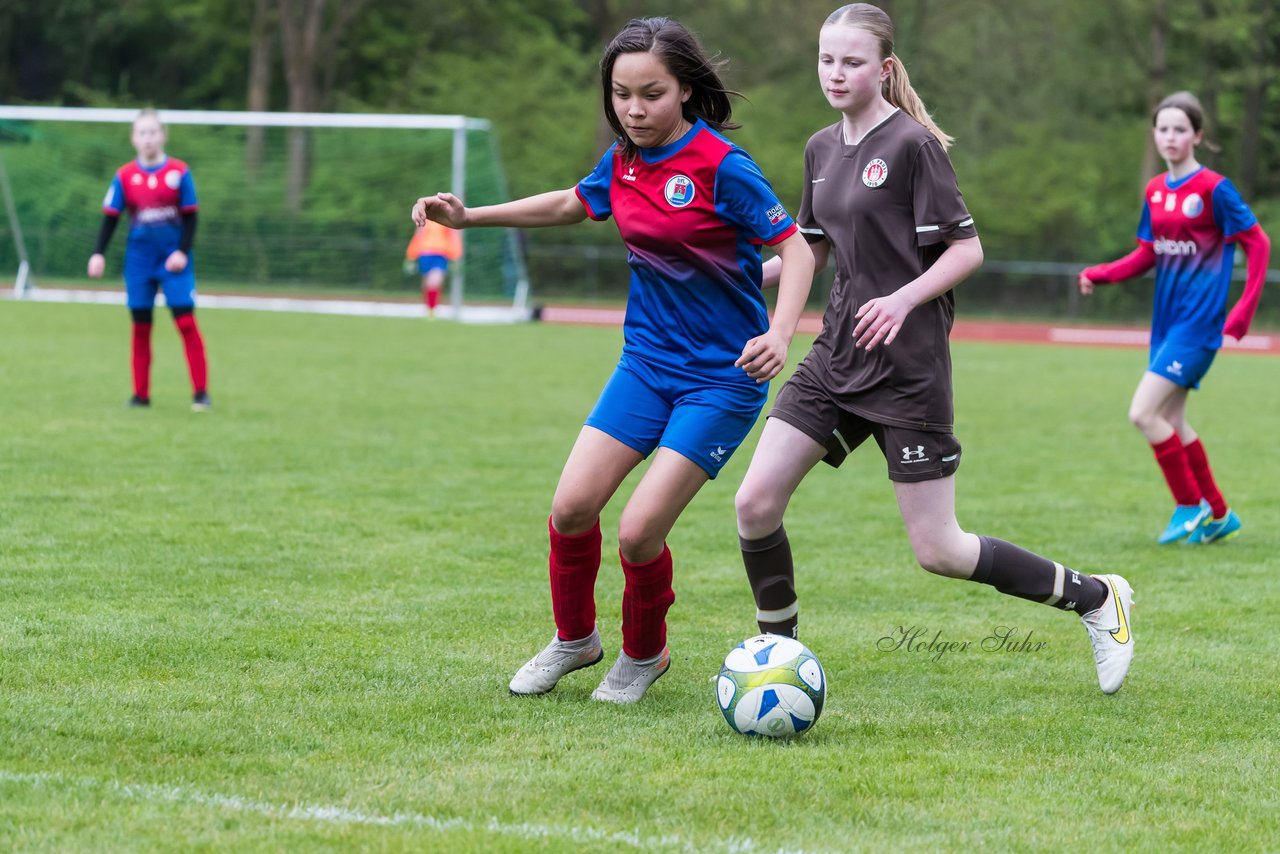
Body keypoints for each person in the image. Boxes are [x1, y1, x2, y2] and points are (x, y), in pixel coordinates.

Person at [733, 3, 1134, 694]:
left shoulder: (912, 145)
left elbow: (968, 249)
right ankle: (779, 664)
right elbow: (814, 250)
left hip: (906, 370)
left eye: (852, 61)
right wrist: (740, 273)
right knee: (755, 503)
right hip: (835, 358)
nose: (836, 72)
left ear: (883, 70)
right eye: (827, 59)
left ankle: (1097, 598)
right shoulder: (819, 149)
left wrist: (903, 297)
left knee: (939, 551)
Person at [412, 17, 814, 703]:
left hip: (721, 380)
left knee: (637, 532)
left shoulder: (722, 167)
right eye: (621, 95)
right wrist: (469, 218)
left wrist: (781, 333)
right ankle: (575, 641)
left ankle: (644, 654)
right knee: (571, 508)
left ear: (685, 90)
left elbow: (797, 248)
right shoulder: (623, 161)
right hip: (645, 367)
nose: (633, 109)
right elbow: (573, 203)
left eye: (651, 94)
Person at [1079, 91, 1269, 545]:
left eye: (1180, 129)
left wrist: (1243, 310)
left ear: (1197, 136)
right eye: (1163, 128)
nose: (1170, 137)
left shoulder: (1214, 190)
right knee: (1174, 421)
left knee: (1143, 413)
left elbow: (1258, 243)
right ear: (1155, 135)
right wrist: (1099, 274)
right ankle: (1219, 514)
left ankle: (1188, 506)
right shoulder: (1155, 191)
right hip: (1166, 323)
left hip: (1199, 324)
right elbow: (1148, 253)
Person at [88, 109, 210, 411]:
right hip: (140, 262)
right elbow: (110, 219)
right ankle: (141, 396)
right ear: (133, 138)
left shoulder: (180, 172)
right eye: (141, 133)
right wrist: (98, 253)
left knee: (185, 323)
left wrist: (182, 251)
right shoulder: (125, 176)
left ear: (163, 135)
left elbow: (192, 217)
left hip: (174, 261)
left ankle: (200, 394)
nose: (148, 138)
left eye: (153, 132)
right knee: (140, 328)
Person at [405, 219, 462, 317]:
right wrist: (411, 256)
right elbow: (418, 236)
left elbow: (453, 237)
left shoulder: (447, 219)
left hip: (440, 253)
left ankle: (432, 308)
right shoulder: (425, 219)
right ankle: (429, 307)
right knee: (427, 283)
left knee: (435, 281)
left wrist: (456, 256)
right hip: (424, 253)